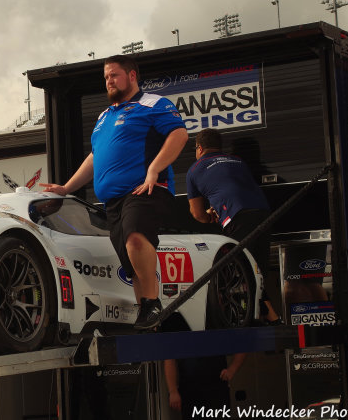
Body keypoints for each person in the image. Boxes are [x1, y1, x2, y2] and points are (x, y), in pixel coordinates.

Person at [41, 54, 188, 329]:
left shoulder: (153, 104)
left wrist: (154, 169)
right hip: (113, 200)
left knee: (134, 238)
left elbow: (179, 135)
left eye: (114, 75)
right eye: (106, 77)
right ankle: (147, 317)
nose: (109, 81)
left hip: (145, 189)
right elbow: (95, 157)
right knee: (129, 262)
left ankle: (152, 302)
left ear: (132, 76)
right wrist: (66, 187)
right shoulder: (104, 116)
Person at [186, 128, 280, 323]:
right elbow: (230, 185)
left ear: (199, 148)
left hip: (238, 216)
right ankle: (271, 319)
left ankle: (256, 319)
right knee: (258, 271)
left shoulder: (195, 169)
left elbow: (197, 214)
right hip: (263, 212)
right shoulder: (238, 161)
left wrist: (210, 216)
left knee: (241, 271)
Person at [164, 353, 246, 419]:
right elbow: (170, 357)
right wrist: (173, 390)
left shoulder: (218, 332)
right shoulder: (180, 333)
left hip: (217, 388)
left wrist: (232, 369)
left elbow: (242, 342)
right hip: (189, 390)